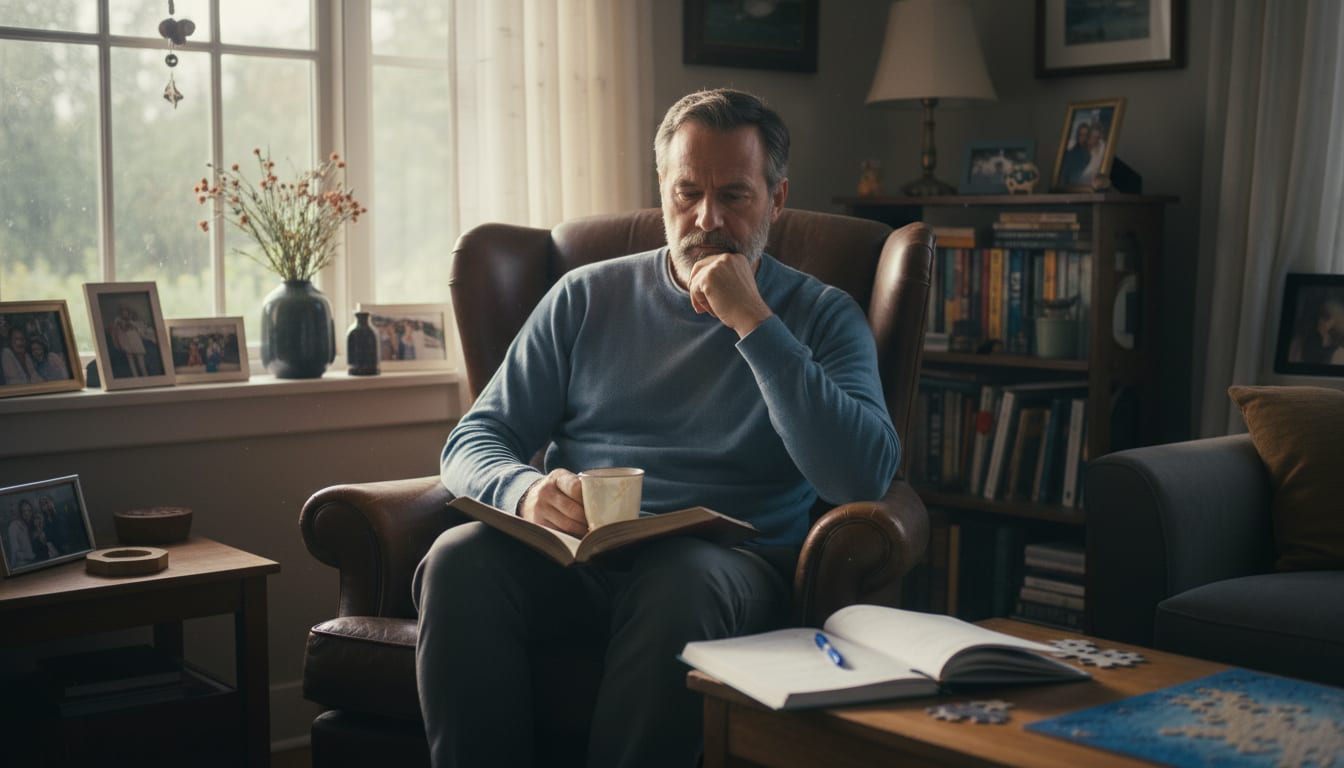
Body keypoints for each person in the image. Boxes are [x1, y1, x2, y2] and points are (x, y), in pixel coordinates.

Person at [413, 88, 899, 768]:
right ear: (662, 192)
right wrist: (525, 492)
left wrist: (753, 323)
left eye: (735, 195)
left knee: (681, 579)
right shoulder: (585, 296)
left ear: (777, 200)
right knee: (458, 559)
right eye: (687, 192)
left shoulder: (822, 315)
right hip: (583, 561)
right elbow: (472, 440)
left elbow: (861, 473)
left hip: (727, 571)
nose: (707, 218)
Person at [111, 304, 149, 377]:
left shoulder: (134, 321)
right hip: (127, 342)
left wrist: (135, 325)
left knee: (141, 363)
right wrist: (117, 343)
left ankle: (146, 377)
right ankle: (136, 378)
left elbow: (141, 331)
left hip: (136, 341)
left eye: (126, 311)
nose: (125, 313)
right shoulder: (118, 320)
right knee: (131, 362)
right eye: (123, 312)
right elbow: (115, 332)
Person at [1059, 122, 1092, 187]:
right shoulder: (1069, 154)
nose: (1083, 137)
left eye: (1085, 135)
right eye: (1081, 134)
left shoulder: (1089, 155)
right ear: (1078, 135)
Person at [6, 499, 37, 567]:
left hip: (33, 562)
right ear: (20, 512)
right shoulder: (13, 526)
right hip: (21, 565)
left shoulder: (30, 525)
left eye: (29, 510)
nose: (27, 513)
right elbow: (15, 552)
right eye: (24, 511)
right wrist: (31, 556)